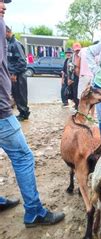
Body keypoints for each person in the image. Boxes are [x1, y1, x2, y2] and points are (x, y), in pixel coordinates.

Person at [0, 0, 65, 227]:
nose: (4, 7)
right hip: (0, 111)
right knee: (23, 156)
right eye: (1, 2)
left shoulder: (12, 42)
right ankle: (34, 211)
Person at [6, 25, 29, 121]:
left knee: (21, 95)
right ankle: (21, 112)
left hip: (19, 74)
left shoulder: (16, 44)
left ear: (7, 32)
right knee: (15, 94)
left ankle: (24, 113)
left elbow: (22, 61)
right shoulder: (8, 43)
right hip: (13, 74)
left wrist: (14, 73)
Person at [67, 42, 81, 109]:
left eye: (79, 50)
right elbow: (69, 68)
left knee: (81, 94)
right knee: (74, 94)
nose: (78, 51)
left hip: (82, 77)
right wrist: (69, 78)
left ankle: (80, 108)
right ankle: (76, 106)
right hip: (74, 77)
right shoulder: (72, 58)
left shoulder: (83, 57)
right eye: (76, 50)